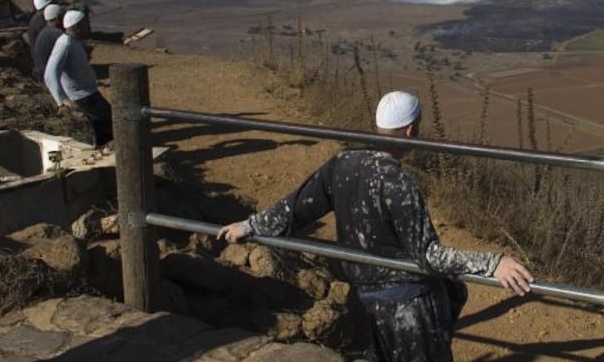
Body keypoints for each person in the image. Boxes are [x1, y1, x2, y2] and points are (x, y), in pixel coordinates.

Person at [218, 90, 534, 362]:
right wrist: (492, 264)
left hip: (364, 305)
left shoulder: (341, 164)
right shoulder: (398, 182)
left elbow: (295, 208)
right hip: (410, 310)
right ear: (411, 131)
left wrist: (250, 225)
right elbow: (428, 256)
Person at [44, 9, 113, 147]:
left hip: (88, 92)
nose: (89, 27)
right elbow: (50, 73)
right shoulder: (65, 44)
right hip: (80, 96)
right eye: (85, 24)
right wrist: (62, 99)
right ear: (76, 27)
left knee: (107, 119)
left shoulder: (73, 42)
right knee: (102, 123)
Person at [31, 3, 63, 82]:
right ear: (58, 18)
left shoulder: (44, 31)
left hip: (42, 72)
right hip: (49, 75)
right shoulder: (57, 34)